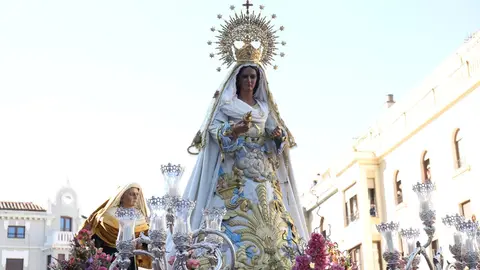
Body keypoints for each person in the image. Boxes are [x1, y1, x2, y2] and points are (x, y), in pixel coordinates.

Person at [184, 60, 309, 268]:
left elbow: (277, 135)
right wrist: (233, 131)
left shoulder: (264, 108)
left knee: (273, 218)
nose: (250, 81)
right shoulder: (226, 105)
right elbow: (213, 131)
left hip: (263, 174)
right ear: (237, 79)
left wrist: (278, 137)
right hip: (235, 174)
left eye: (253, 77)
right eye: (245, 77)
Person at [81, 183, 152, 270]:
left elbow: (146, 242)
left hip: (131, 259)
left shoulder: (141, 217)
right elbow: (96, 239)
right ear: (121, 196)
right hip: (109, 257)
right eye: (131, 194)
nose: (135, 197)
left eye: (137, 194)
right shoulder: (107, 215)